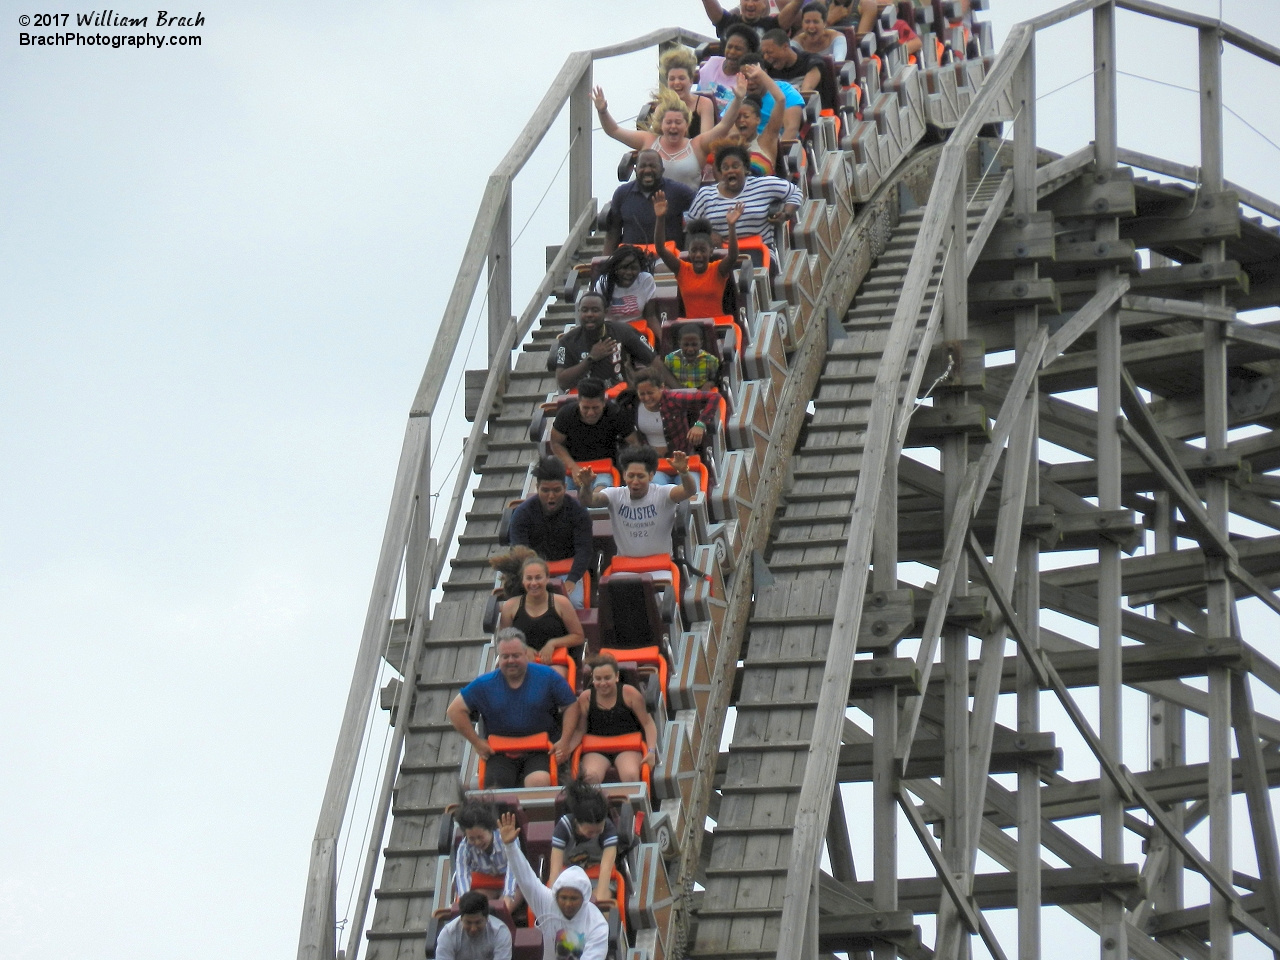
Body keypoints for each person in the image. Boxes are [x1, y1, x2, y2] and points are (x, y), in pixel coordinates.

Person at [446, 629, 579, 789]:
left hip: (541, 750)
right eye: (505, 657)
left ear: (525, 654)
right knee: (494, 789)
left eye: (515, 656)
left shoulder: (547, 676)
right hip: (500, 753)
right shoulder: (485, 684)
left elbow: (572, 705)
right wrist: (477, 742)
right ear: (499, 658)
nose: (510, 661)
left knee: (538, 782)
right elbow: (454, 711)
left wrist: (564, 741)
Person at [498, 812, 609, 960]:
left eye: (573, 898)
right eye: (563, 897)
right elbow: (526, 879)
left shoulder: (597, 925)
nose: (567, 903)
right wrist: (510, 846)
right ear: (555, 895)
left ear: (584, 899)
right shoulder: (547, 903)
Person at [591, 84, 743, 193]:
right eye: (669, 122)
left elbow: (724, 125)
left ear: (687, 125)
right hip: (649, 207)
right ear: (661, 124)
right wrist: (603, 111)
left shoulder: (697, 145)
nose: (673, 127)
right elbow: (614, 130)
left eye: (678, 122)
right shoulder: (649, 141)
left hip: (683, 209)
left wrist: (738, 99)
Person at [577, 446, 697, 559]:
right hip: (625, 565)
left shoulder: (663, 493)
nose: (635, 481)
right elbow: (588, 501)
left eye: (640, 476)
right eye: (631, 476)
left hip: (660, 564)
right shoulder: (614, 495)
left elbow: (689, 490)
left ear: (651, 476)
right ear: (624, 475)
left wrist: (684, 472)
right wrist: (586, 486)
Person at [688, 143, 802, 257]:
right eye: (725, 168)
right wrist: (707, 234)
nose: (730, 171)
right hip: (721, 254)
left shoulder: (764, 185)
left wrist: (786, 214)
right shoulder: (706, 194)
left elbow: (795, 192)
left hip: (759, 251)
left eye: (735, 166)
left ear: (745, 168)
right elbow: (690, 222)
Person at [508, 457, 592, 608]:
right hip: (533, 573)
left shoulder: (578, 511)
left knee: (572, 602)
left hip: (569, 571)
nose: (551, 496)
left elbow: (584, 550)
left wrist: (572, 579)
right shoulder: (522, 514)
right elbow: (519, 552)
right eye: (545, 490)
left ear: (565, 488)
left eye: (556, 490)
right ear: (537, 487)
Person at [572, 653, 661, 786]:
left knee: (630, 774)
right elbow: (580, 730)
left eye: (607, 678)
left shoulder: (630, 694)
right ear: (593, 678)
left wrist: (651, 751)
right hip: (596, 749)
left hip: (627, 747)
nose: (603, 683)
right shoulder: (585, 698)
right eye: (598, 678)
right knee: (589, 777)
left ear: (617, 677)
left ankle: (634, 806)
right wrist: (566, 749)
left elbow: (648, 724)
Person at [654, 195, 741, 321]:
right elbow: (661, 249)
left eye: (703, 250)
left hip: (719, 327)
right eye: (694, 250)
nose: (698, 255)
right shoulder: (682, 270)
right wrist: (660, 218)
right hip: (691, 329)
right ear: (688, 252)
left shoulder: (717, 270)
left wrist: (731, 226)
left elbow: (733, 256)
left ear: (711, 251)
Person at [548, 291, 655, 392]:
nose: (589, 314)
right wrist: (591, 359)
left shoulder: (623, 331)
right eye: (585, 310)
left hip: (621, 395)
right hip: (587, 400)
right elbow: (562, 382)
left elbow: (653, 360)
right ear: (579, 312)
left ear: (605, 312)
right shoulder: (566, 341)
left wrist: (672, 390)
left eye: (595, 310)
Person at [499, 556, 585, 680]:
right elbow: (503, 639)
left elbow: (578, 637)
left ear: (547, 578)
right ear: (523, 581)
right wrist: (522, 647)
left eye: (538, 577)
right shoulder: (510, 606)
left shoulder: (562, 603)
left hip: (555, 663)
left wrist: (553, 643)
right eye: (529, 578)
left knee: (551, 679)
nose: (534, 583)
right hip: (522, 664)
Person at [549, 378, 641, 488]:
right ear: (579, 402)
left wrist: (629, 468)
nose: (591, 413)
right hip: (573, 467)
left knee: (601, 493)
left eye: (595, 408)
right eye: (585, 408)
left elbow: (634, 443)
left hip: (605, 469)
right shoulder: (566, 415)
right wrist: (572, 467)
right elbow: (556, 443)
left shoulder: (616, 413)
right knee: (565, 493)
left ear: (603, 403)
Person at [603, 150, 695, 253]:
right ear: (635, 170)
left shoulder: (679, 191)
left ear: (662, 170)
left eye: (652, 166)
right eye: (642, 166)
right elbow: (613, 233)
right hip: (631, 258)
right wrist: (605, 264)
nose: (647, 170)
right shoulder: (622, 193)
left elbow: (700, 213)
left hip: (667, 258)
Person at [547, 778, 621, 905]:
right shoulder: (564, 826)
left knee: (598, 902)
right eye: (589, 832)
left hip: (598, 877)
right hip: (568, 877)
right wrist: (551, 899)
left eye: (598, 831)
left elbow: (606, 869)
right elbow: (555, 869)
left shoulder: (608, 829)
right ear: (577, 822)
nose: (593, 835)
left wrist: (598, 902)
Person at [632, 371, 720, 474]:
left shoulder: (673, 398)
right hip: (655, 464)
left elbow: (714, 397)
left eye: (651, 393)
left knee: (689, 487)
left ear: (662, 387)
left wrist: (700, 424)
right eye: (642, 394)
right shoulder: (633, 404)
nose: (646, 398)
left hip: (683, 461)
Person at [452, 804, 521, 915]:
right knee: (475, 907)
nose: (477, 842)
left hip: (515, 883)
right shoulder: (464, 847)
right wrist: (465, 898)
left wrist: (508, 895)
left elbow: (514, 868)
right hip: (488, 884)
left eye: (480, 837)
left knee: (502, 910)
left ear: (490, 830)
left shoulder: (506, 839)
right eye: (472, 839)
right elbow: (462, 874)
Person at [760, 28, 838, 112]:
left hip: (812, 115)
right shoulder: (766, 67)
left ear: (785, 47)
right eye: (764, 53)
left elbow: (805, 92)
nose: (766, 57)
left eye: (770, 52)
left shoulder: (811, 62)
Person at [735, 53, 806, 139]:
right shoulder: (738, 97)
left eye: (755, 77)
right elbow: (728, 130)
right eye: (746, 78)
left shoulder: (786, 91)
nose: (750, 82)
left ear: (764, 73)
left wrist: (778, 150)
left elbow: (791, 128)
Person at [651, 47, 717, 138]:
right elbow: (656, 140)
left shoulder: (704, 104)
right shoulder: (661, 109)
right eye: (672, 79)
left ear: (691, 81)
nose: (677, 83)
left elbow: (705, 141)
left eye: (681, 78)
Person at [434, 891, 513, 960]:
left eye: (478, 922)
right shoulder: (448, 934)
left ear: (486, 918)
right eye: (468, 923)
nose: (473, 929)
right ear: (461, 919)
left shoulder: (500, 932)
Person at [591, 245, 657, 328]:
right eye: (624, 268)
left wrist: (664, 339)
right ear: (616, 268)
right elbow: (597, 319)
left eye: (634, 268)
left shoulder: (646, 280)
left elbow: (651, 316)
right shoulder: (603, 283)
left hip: (638, 331)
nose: (629, 272)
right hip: (611, 330)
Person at [695, 23, 759, 110]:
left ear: (749, 52)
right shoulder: (712, 64)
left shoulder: (749, 77)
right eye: (729, 47)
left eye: (738, 49)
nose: (732, 52)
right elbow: (698, 97)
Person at [701, 0, 804, 41]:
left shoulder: (772, 26)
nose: (750, 4)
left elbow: (795, 7)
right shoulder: (728, 22)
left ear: (764, 3)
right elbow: (712, 7)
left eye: (755, 0)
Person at [663, 324, 722, 392]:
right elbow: (665, 381)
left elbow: (716, 380)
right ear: (679, 344)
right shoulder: (670, 360)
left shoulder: (711, 360)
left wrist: (709, 384)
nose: (690, 349)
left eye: (694, 345)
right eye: (686, 345)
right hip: (678, 395)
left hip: (701, 395)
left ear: (701, 344)